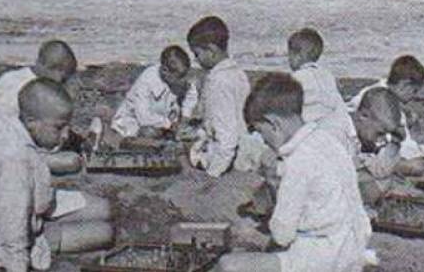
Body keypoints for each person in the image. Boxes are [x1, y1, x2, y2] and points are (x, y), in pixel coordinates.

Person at [216, 74, 371, 272]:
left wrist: (255, 238)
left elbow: (282, 235)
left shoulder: (298, 161)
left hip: (324, 257)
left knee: (228, 265)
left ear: (274, 124)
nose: (264, 141)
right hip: (353, 247)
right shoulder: (328, 140)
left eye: (261, 132)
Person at [0, 79, 114, 272]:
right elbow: (13, 227)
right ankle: (51, 238)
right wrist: (19, 264)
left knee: (104, 208)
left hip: (34, 207)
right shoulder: (15, 160)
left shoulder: (18, 130)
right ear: (31, 122)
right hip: (5, 233)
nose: (65, 135)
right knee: (105, 232)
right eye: (59, 127)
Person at [0, 40, 79, 173]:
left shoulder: (12, 77)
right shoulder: (29, 92)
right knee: (71, 162)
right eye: (65, 78)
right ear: (57, 71)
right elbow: (18, 138)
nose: (63, 84)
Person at [186, 16, 260, 177]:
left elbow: (226, 138)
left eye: (197, 54)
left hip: (230, 157)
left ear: (211, 51)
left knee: (188, 153)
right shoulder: (238, 73)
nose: (195, 60)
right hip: (246, 145)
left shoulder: (217, 82)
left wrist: (213, 174)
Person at [345, 55, 424, 160]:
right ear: (404, 85)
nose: (414, 96)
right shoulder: (386, 105)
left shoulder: (371, 91)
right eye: (414, 91)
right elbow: (405, 148)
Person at [287, 28, 357, 153]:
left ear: (297, 55)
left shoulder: (296, 78)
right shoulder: (327, 76)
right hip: (341, 134)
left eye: (289, 54)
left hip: (316, 136)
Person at [110, 45, 198, 138]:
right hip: (134, 122)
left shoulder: (180, 78)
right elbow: (143, 117)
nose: (183, 80)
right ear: (165, 71)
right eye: (179, 77)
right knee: (149, 133)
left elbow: (191, 94)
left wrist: (185, 117)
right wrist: (169, 124)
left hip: (165, 120)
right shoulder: (147, 80)